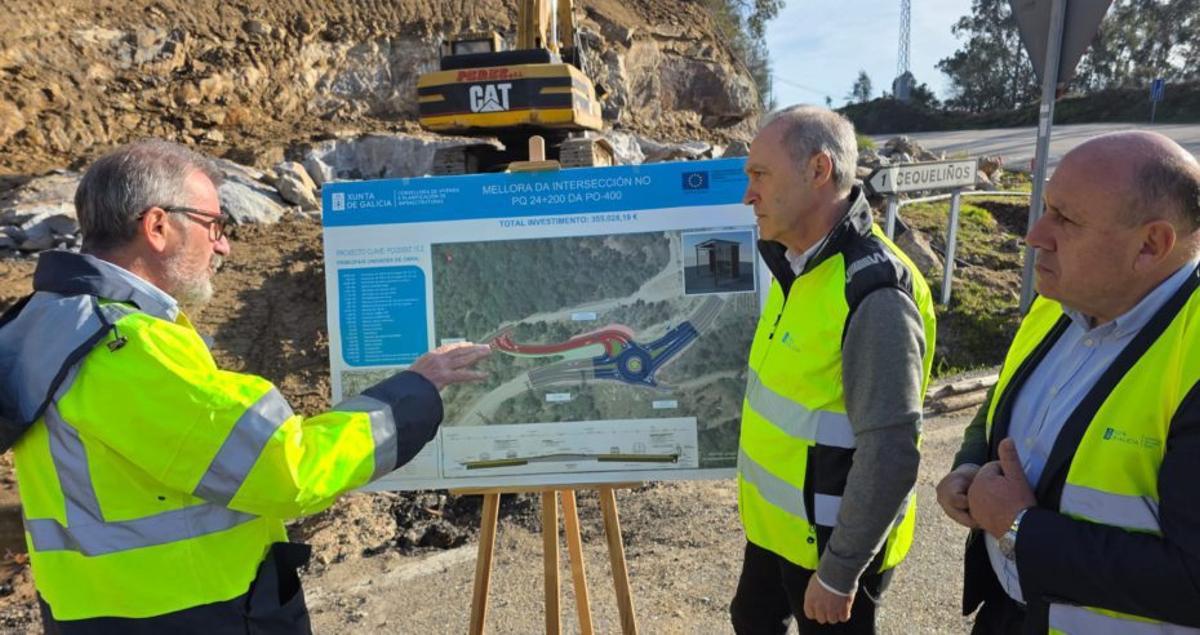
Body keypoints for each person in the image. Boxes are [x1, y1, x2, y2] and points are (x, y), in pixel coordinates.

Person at [0, 139, 491, 633]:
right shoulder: (127, 348)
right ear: (156, 227)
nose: (223, 244)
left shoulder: (46, 319)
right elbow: (287, 469)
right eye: (214, 225)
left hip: (98, 612)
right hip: (187, 615)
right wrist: (415, 393)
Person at [935, 131, 1200, 633]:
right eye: (1046, 208)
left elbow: (1192, 580)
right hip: (1011, 615)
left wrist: (1018, 528)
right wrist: (969, 463)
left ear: (1151, 245)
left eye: (1066, 219)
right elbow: (1001, 400)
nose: (1035, 235)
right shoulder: (1060, 301)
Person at [731, 105, 936, 634]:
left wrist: (841, 571)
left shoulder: (875, 293)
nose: (748, 194)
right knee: (751, 618)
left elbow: (891, 451)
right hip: (779, 530)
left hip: (829, 546)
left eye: (760, 175)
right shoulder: (794, 262)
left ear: (818, 171)